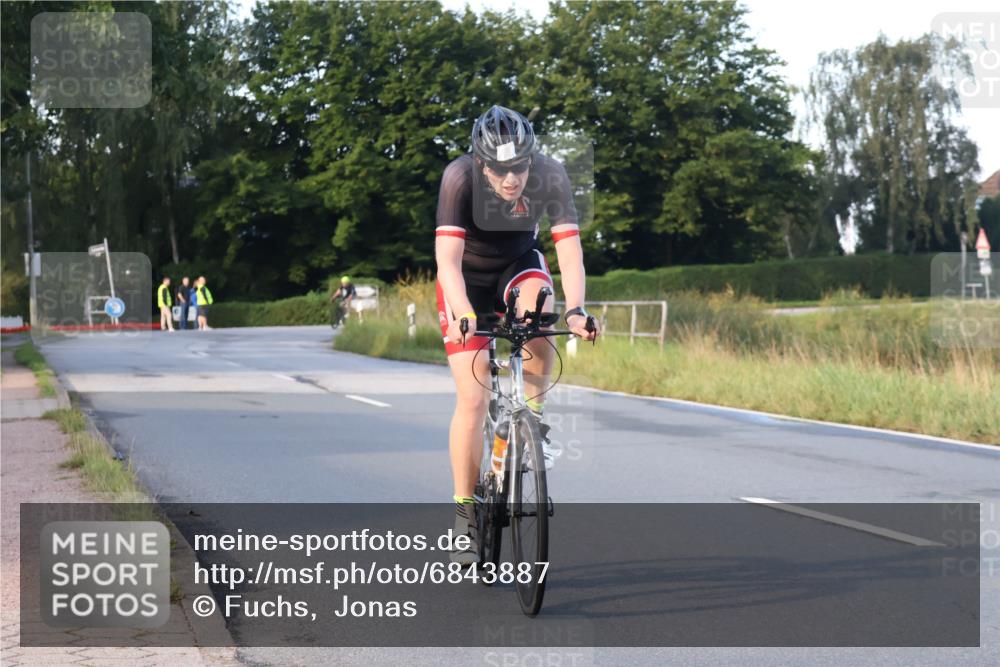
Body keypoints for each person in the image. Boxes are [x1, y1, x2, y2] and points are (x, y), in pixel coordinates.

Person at [435, 105, 599, 564]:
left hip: (516, 263)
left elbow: (568, 248)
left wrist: (577, 309)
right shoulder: (458, 177)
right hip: (465, 280)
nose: (512, 179)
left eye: (520, 167)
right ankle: (465, 511)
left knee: (540, 307)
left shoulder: (550, 174)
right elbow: (446, 260)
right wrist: (465, 310)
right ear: (481, 163)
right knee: (471, 397)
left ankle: (532, 418)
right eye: (501, 170)